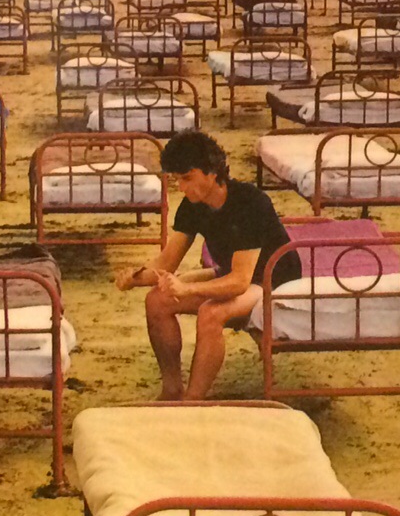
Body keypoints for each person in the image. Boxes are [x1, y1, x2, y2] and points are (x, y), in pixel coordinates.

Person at [116, 128, 299, 401]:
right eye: (177, 179)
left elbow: (240, 282)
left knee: (211, 312)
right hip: (232, 272)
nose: (181, 187)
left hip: (271, 280)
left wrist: (187, 289)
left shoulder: (250, 203)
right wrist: (134, 278)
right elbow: (166, 263)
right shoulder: (193, 205)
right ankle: (172, 390)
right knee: (157, 301)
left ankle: (193, 400)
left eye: (187, 178)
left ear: (212, 172)